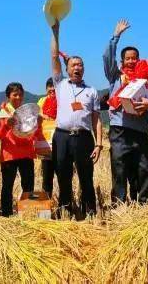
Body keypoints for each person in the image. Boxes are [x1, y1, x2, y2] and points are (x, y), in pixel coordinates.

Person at [50, 20, 103, 217]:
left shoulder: (92, 91)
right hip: (61, 137)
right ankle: (65, 211)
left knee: (86, 177)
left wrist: (99, 144)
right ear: (67, 68)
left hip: (83, 138)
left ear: (84, 69)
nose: (77, 67)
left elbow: (96, 119)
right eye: (73, 65)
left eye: (80, 65)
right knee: (63, 177)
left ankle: (90, 213)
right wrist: (55, 33)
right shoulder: (59, 84)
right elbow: (54, 56)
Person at [103, 19, 148, 204]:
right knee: (119, 167)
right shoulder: (116, 76)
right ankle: (119, 203)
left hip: (141, 130)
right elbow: (106, 57)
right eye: (128, 58)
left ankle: (141, 201)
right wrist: (115, 37)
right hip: (119, 129)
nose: (132, 61)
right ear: (122, 61)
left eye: (135, 58)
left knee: (144, 166)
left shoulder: (146, 80)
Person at [0, 82, 37, 216]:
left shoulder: (28, 112)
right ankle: (6, 214)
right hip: (9, 155)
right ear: (8, 96)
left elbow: (33, 132)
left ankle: (28, 212)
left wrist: (38, 125)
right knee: (7, 186)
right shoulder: (3, 113)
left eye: (20, 94)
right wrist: (6, 125)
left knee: (28, 185)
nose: (18, 97)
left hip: (26, 153)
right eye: (14, 94)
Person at [37, 77, 57, 196]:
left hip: (60, 144)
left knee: (64, 178)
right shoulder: (41, 101)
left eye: (55, 86)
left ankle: (65, 208)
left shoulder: (63, 100)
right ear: (46, 89)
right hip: (45, 146)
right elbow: (37, 115)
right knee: (47, 179)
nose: (52, 89)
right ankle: (47, 207)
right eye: (50, 86)